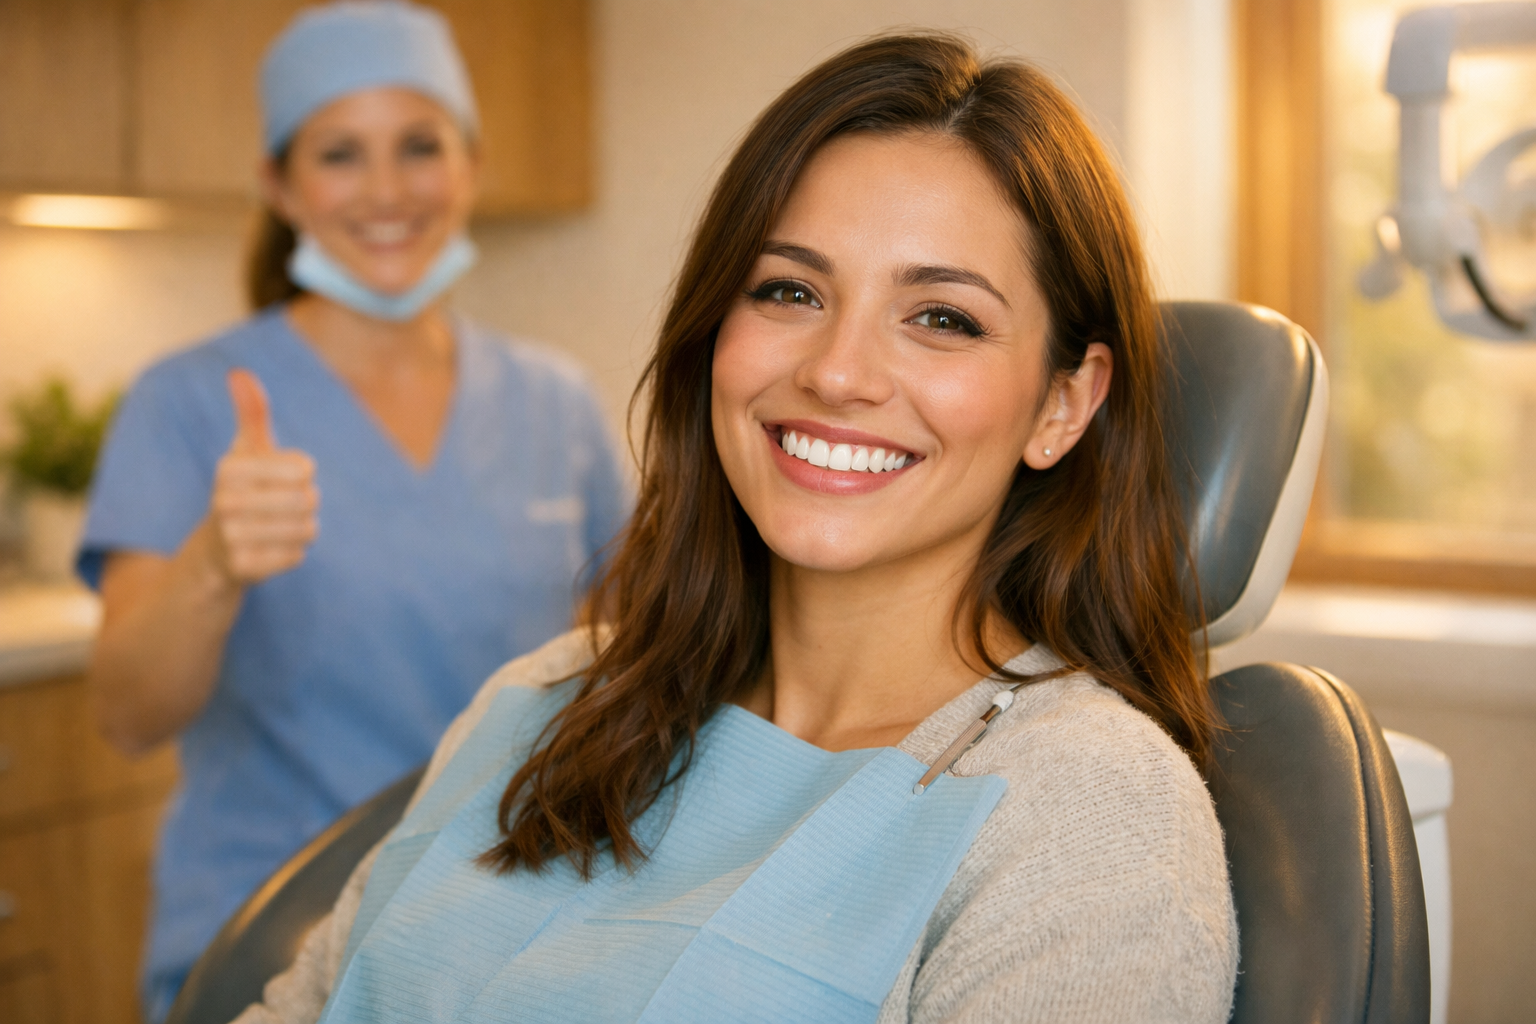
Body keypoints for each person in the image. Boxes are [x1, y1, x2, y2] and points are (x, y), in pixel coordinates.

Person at [234, 32, 1237, 1024]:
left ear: (1065, 404)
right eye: (789, 291)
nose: (838, 372)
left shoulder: (1091, 811)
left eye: (942, 317)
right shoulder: (546, 702)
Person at [79, 3, 628, 1019]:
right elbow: (125, 712)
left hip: (492, 921)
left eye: (420, 145)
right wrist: (213, 563)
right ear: (279, 186)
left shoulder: (557, 401)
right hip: (267, 927)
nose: (387, 189)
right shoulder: (189, 401)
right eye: (340, 153)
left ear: (468, 164)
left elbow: (626, 656)